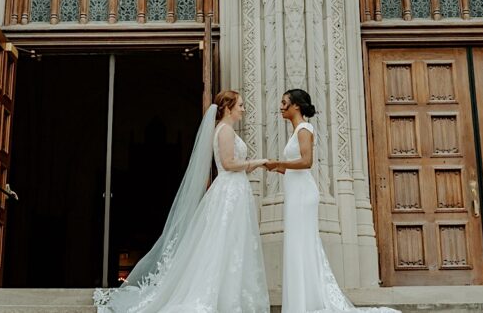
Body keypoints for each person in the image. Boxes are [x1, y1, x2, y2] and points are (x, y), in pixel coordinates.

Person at [95, 90, 270, 313]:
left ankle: (231, 294)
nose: (243, 109)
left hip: (234, 190)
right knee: (224, 241)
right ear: (228, 107)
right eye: (241, 105)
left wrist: (260, 164)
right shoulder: (224, 131)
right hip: (229, 192)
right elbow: (228, 164)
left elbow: (235, 164)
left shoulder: (225, 130)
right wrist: (257, 161)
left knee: (231, 242)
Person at [268, 89, 400, 313]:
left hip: (302, 195)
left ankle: (306, 303)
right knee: (298, 244)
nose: (281, 107)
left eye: (284, 103)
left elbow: (306, 162)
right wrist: (274, 167)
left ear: (296, 106)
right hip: (295, 191)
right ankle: (303, 300)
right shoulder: (296, 130)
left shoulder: (304, 129)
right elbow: (294, 168)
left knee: (302, 244)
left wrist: (279, 162)